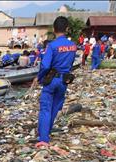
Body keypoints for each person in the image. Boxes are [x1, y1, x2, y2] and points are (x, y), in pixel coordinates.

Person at [33, 16, 76, 148]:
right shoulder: (73, 46)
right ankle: (47, 131)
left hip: (51, 79)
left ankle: (44, 138)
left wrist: (39, 78)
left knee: (45, 108)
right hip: (64, 80)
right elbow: (71, 63)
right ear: (67, 28)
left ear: (54, 29)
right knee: (55, 107)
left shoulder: (52, 46)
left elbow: (45, 66)